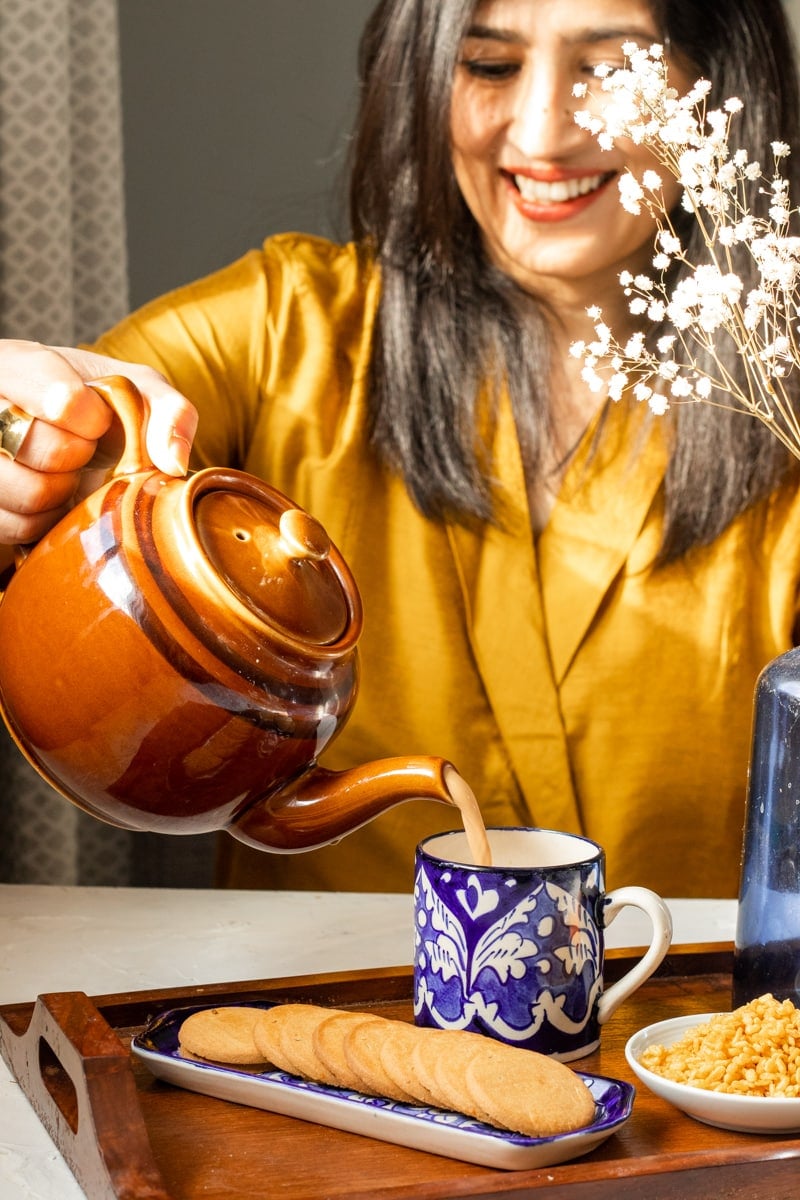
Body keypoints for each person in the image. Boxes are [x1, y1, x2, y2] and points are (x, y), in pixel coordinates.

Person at [0, 0, 798, 897]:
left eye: (610, 69)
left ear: (720, 81)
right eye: (488, 66)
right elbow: (94, 408)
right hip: (313, 987)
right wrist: (32, 425)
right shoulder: (286, 329)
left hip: (690, 991)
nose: (542, 131)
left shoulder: (786, 401)